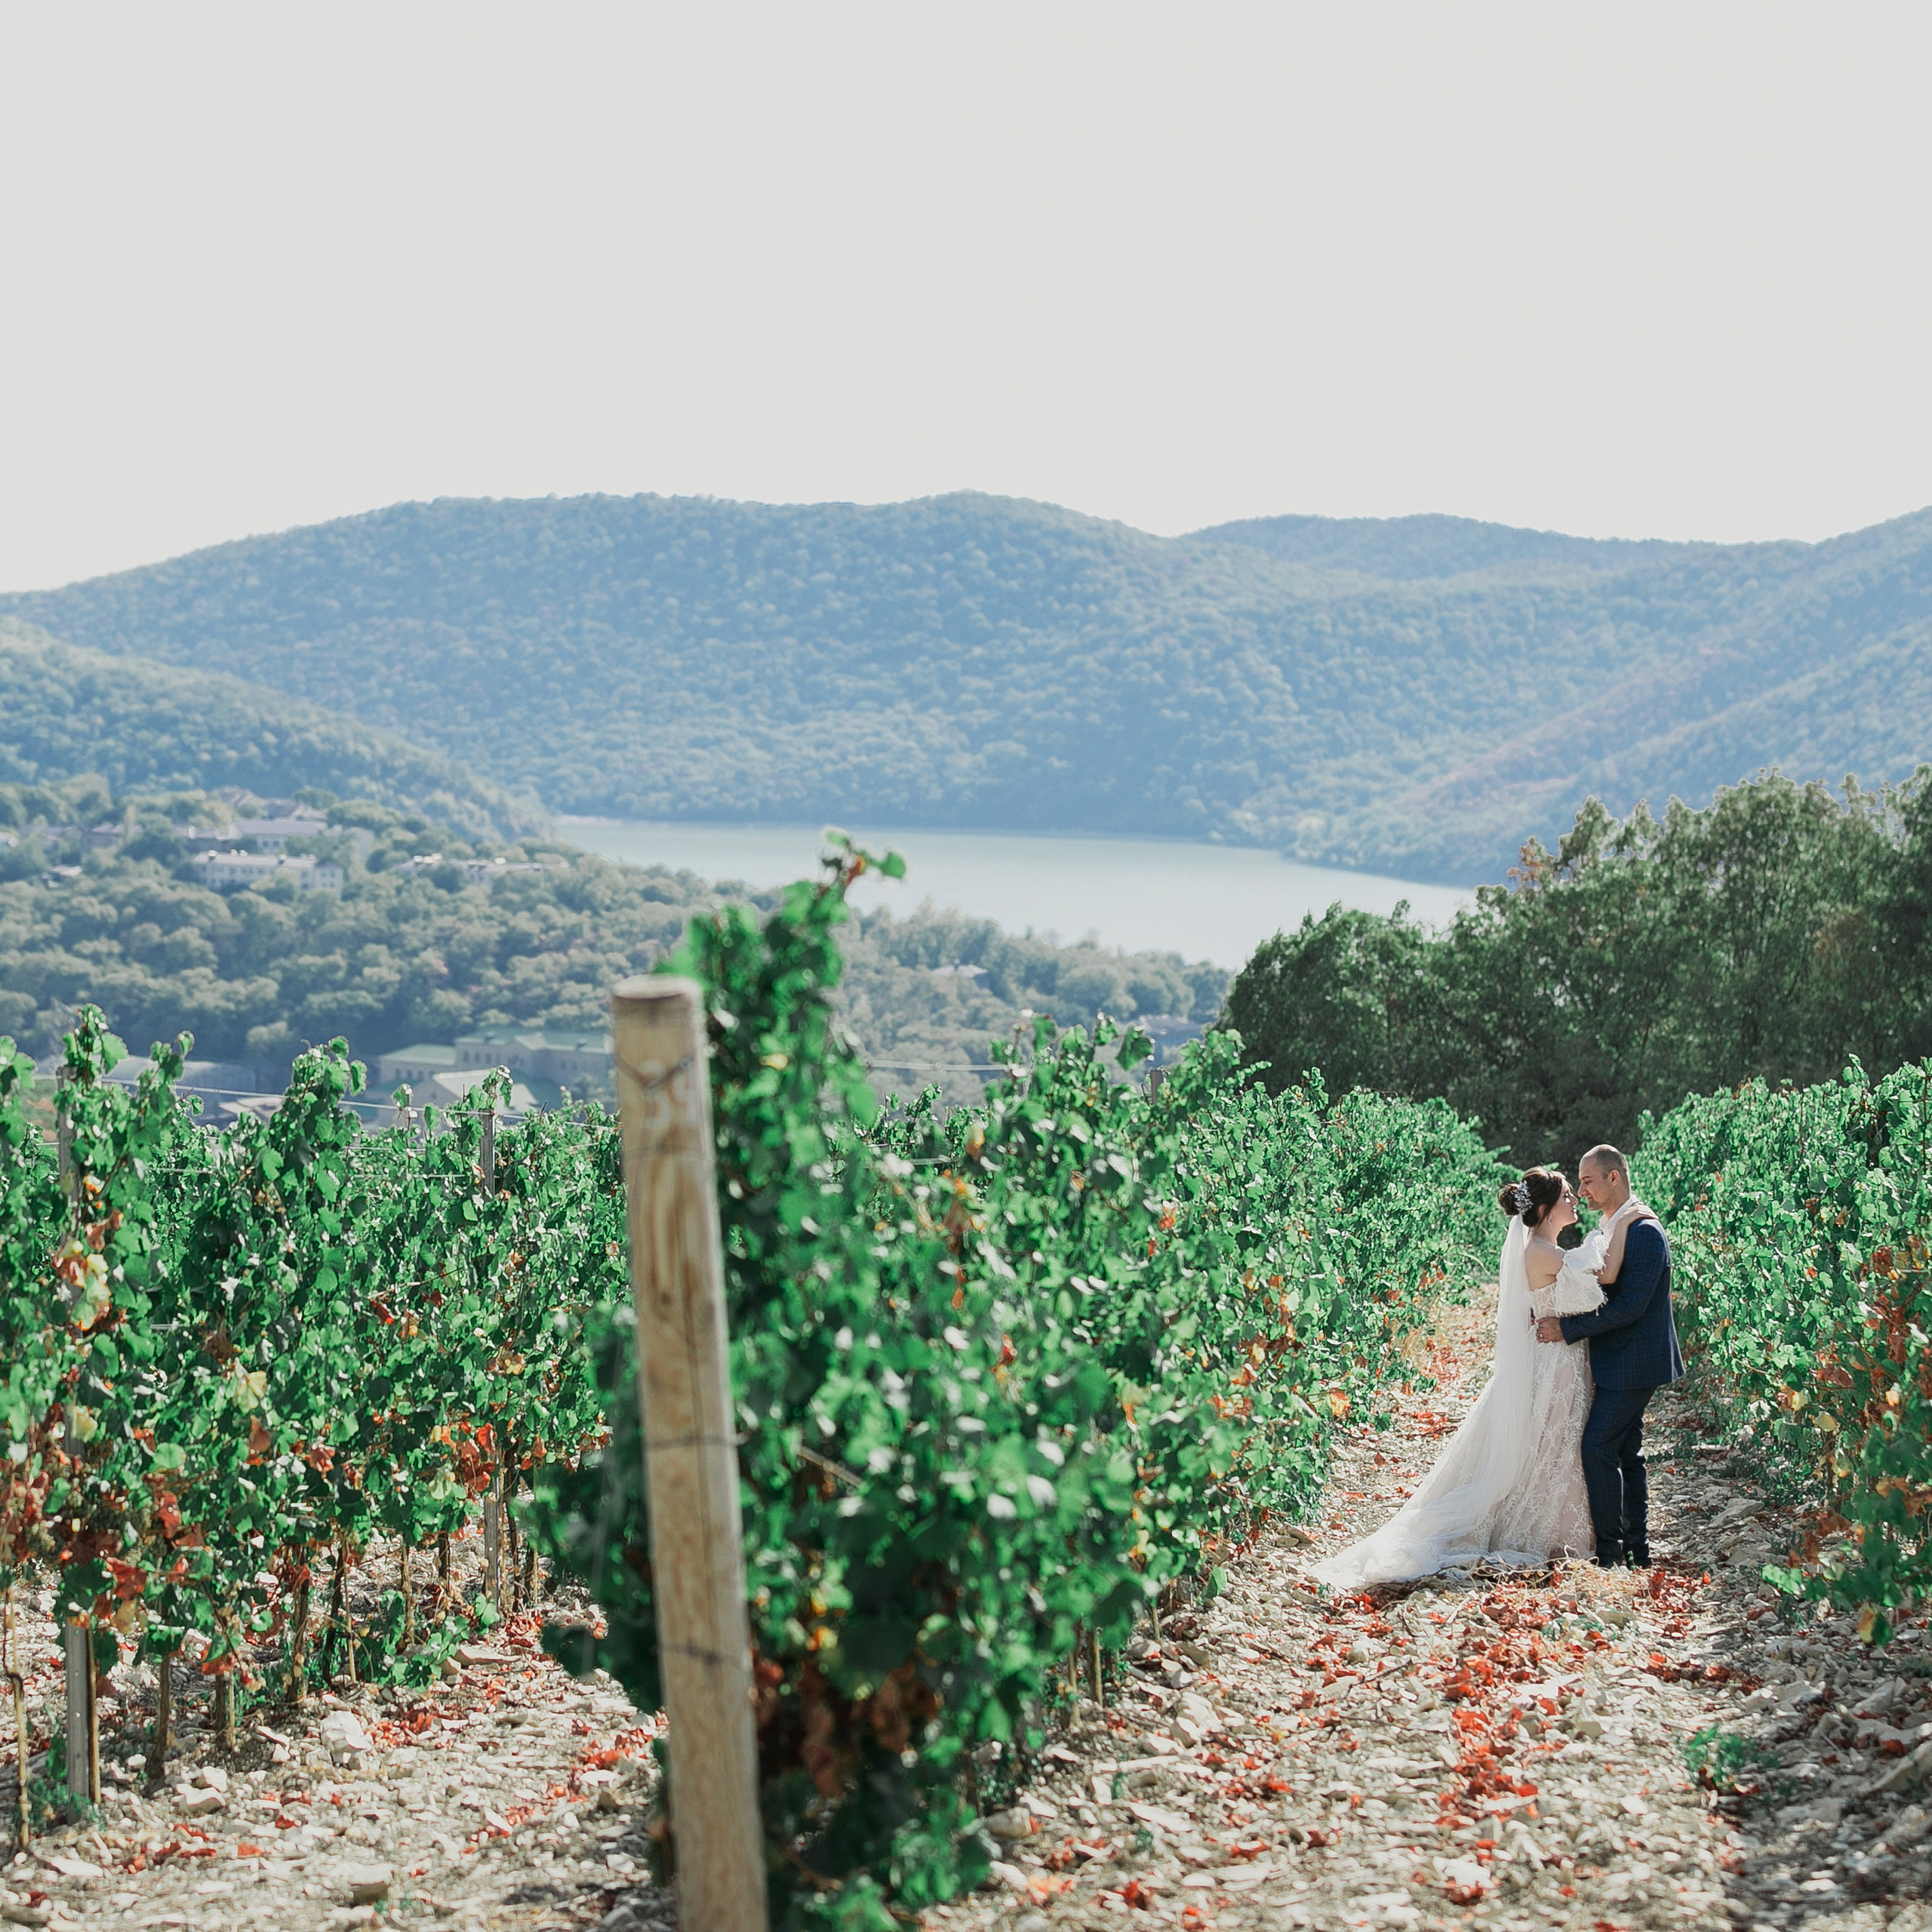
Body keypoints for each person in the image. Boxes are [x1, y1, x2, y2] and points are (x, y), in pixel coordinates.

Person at [1311, 1167, 1608, 1588]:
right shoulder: (1541, 1253)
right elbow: (1599, 1279)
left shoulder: (1548, 1249)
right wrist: (1615, 1229)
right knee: (1550, 1440)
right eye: (1566, 1196)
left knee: (1554, 1440)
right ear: (1545, 1209)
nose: (1574, 1201)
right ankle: (1543, 1530)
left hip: (1559, 1356)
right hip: (1552, 1361)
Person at [1534, 1143, 1683, 1567]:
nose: (1581, 1190)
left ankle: (1610, 1551)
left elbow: (1630, 1307)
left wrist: (1567, 1329)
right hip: (1616, 1361)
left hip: (1636, 1362)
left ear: (1613, 1177)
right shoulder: (1615, 1225)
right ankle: (1636, 1551)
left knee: (1597, 1446)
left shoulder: (1644, 1231)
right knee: (1626, 1453)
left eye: (1587, 1181)